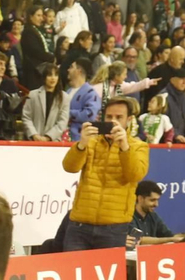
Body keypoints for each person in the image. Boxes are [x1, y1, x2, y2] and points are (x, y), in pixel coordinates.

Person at [62, 95, 147, 250]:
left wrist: (124, 147)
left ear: (129, 120)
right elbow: (69, 167)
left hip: (114, 228)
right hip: (79, 225)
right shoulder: (90, 142)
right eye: (109, 117)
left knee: (108, 268)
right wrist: (81, 144)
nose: (113, 121)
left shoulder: (138, 146)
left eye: (119, 117)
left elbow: (135, 175)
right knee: (73, 266)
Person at [23, 66, 68, 142]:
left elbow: (62, 122)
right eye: (50, 75)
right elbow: (26, 117)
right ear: (44, 77)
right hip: (33, 141)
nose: (53, 78)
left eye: (56, 75)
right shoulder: (33, 95)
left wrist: (48, 137)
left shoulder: (65, 97)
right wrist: (34, 135)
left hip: (54, 142)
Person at [64, 59, 100, 133]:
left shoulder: (91, 93)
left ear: (79, 71)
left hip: (79, 136)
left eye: (71, 67)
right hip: (63, 135)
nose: (68, 70)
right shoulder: (67, 91)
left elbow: (90, 115)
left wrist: (66, 113)